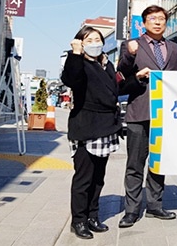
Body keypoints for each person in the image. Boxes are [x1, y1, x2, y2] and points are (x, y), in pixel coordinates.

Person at [117, 5, 177, 228]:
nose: (157, 22)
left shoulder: (175, 49)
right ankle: (131, 210)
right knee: (135, 164)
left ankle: (155, 206)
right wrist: (131, 54)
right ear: (144, 22)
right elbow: (121, 75)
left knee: (158, 163)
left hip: (164, 115)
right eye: (152, 18)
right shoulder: (131, 45)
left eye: (161, 19)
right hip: (139, 112)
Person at [61, 27, 121, 239]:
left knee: (98, 177)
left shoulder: (105, 63)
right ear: (80, 42)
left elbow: (114, 90)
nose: (95, 42)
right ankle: (78, 220)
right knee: (83, 178)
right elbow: (71, 79)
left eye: (98, 39)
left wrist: (137, 79)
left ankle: (93, 216)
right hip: (86, 127)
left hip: (106, 127)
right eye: (90, 39)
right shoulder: (77, 62)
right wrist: (75, 53)